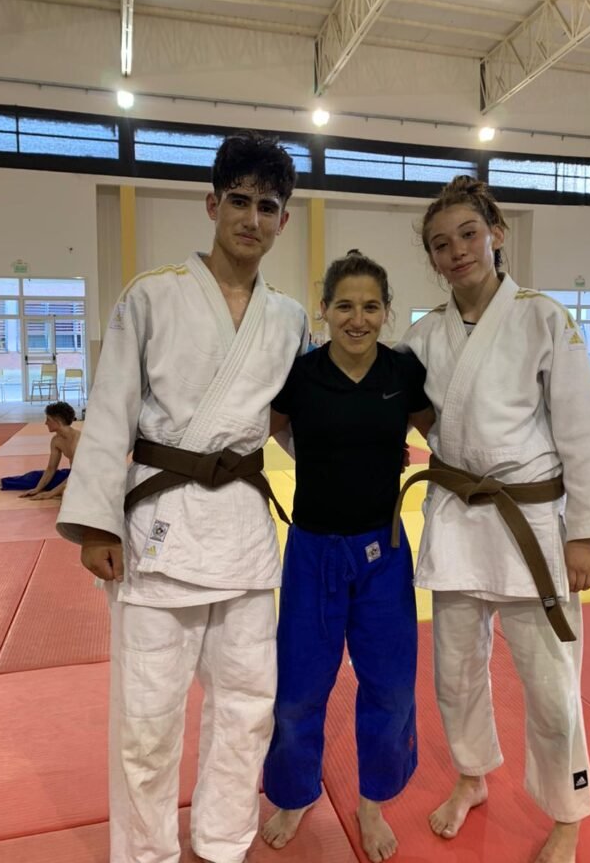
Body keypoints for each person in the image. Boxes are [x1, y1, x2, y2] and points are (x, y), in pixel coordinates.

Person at [56, 131, 308, 863]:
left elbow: (302, 421)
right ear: (211, 204)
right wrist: (96, 524)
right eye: (239, 200)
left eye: (268, 206)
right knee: (147, 721)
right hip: (158, 527)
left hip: (243, 532)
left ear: (283, 220)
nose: (252, 218)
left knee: (247, 708)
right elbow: (110, 410)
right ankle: (147, 854)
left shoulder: (289, 317)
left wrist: (365, 454)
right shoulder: (152, 294)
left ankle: (224, 842)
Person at [395, 177, 590, 863]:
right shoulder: (422, 337)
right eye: (440, 244)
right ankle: (471, 775)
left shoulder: (543, 319)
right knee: (454, 673)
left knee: (552, 685)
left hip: (532, 525)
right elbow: (405, 412)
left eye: (468, 234)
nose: (456, 251)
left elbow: (582, 429)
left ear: (496, 235)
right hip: (457, 520)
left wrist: (586, 533)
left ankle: (566, 812)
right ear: (432, 258)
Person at [261, 251, 433, 863]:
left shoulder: (403, 372)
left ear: (387, 312)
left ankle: (372, 802)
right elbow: (265, 431)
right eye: (344, 306)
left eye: (370, 307)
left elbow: (444, 432)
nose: (357, 319)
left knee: (390, 687)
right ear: (324, 309)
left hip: (383, 552)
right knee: (298, 689)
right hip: (313, 550)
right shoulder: (301, 375)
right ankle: (294, 793)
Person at [0, 400, 78, 499]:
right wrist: (37, 489)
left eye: (48, 419)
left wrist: (50, 494)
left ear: (57, 421)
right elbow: (51, 468)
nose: (46, 423)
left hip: (85, 477)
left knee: (69, 490)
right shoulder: (56, 440)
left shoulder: (77, 441)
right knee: (36, 476)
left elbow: (77, 475)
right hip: (72, 474)